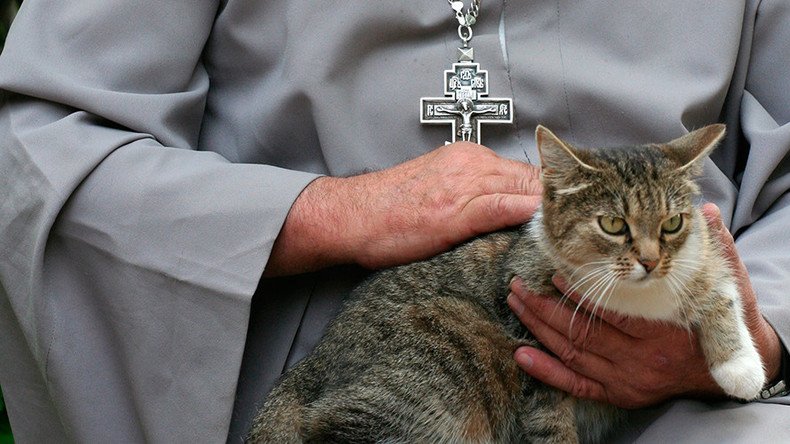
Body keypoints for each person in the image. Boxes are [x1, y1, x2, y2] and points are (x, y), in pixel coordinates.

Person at [0, 0, 787, 442]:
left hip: (682, 401)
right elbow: (39, 150)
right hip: (337, 369)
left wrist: (760, 330)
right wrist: (325, 215)